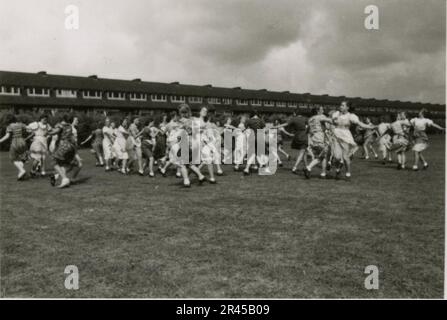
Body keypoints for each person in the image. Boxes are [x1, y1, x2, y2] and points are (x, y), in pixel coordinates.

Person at [330, 101, 375, 179]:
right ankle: (338, 170)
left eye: (343, 105)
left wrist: (370, 127)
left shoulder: (351, 116)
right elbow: (331, 122)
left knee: (345, 157)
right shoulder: (336, 114)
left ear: (347, 107)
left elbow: (360, 124)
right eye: (340, 105)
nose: (340, 106)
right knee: (336, 157)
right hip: (336, 135)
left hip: (346, 136)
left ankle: (348, 173)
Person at [48, 114, 82, 188]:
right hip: (71, 147)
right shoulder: (69, 126)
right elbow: (72, 138)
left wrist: (47, 132)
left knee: (53, 161)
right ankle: (60, 177)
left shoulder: (61, 125)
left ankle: (64, 179)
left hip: (64, 146)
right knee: (62, 163)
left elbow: (55, 131)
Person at [303, 106, 333, 179]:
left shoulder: (310, 119)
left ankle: (310, 168)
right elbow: (329, 123)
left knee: (322, 156)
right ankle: (321, 173)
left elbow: (307, 131)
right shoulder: (321, 116)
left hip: (313, 139)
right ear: (317, 111)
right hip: (320, 137)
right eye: (321, 109)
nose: (323, 110)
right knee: (324, 155)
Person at [0, 114, 30, 180]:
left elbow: (7, 136)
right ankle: (20, 175)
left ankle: (22, 171)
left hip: (15, 142)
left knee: (12, 158)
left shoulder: (9, 126)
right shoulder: (21, 124)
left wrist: (0, 140)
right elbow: (29, 129)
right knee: (21, 158)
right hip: (22, 142)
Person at [242, 109, 265, 175]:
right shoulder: (261, 120)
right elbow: (263, 129)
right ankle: (260, 166)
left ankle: (247, 168)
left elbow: (245, 128)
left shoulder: (249, 120)